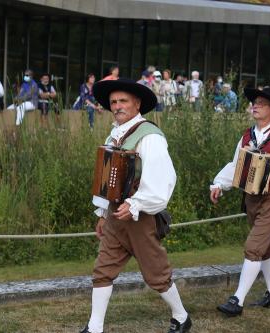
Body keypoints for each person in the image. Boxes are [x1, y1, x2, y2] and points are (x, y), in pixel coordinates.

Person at [80, 78, 191, 333]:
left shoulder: (150, 136)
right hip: (115, 217)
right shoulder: (114, 135)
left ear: (137, 104)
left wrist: (136, 204)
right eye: (113, 102)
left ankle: (182, 316)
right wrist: (102, 213)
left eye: (123, 101)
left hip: (139, 218)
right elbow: (106, 179)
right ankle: (95, 328)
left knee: (156, 274)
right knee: (103, 270)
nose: (117, 106)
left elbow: (163, 179)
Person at [211, 87, 270, 317]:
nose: (255, 105)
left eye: (261, 103)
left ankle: (237, 300)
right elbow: (236, 164)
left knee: (253, 247)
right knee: (265, 246)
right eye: (255, 102)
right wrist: (218, 184)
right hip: (251, 198)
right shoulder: (246, 136)